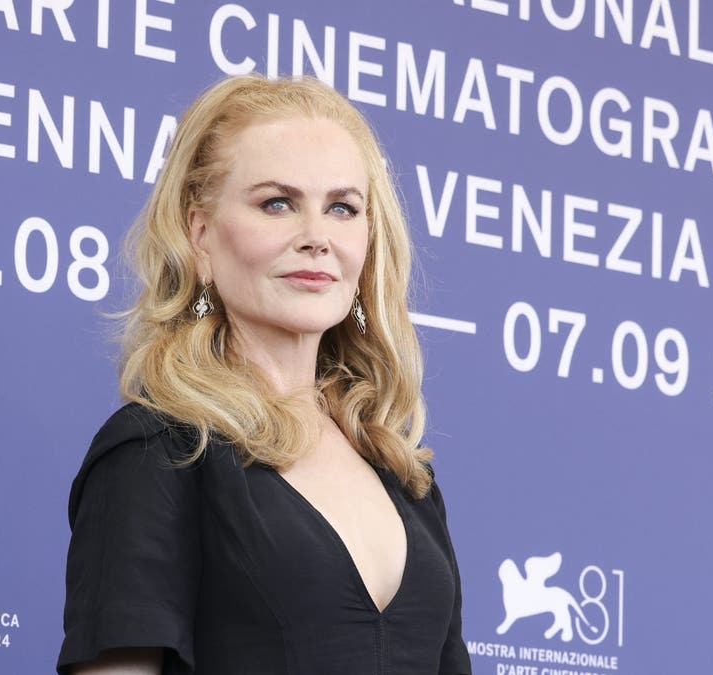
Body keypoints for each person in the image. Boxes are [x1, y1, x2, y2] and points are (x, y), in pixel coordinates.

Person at [57, 73, 471, 675]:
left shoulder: (407, 477)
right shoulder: (159, 452)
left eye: (342, 208)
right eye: (277, 203)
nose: (316, 238)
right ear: (199, 236)